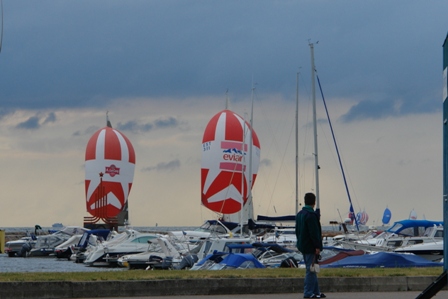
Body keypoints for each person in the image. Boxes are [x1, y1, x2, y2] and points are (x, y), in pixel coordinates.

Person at [295, 192, 326, 299]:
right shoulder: (311, 215)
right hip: (310, 246)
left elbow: (297, 230)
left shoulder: (300, 214)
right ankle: (308, 293)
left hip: (302, 245)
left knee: (313, 268)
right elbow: (314, 233)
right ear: (314, 202)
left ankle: (316, 291)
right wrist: (317, 246)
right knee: (310, 269)